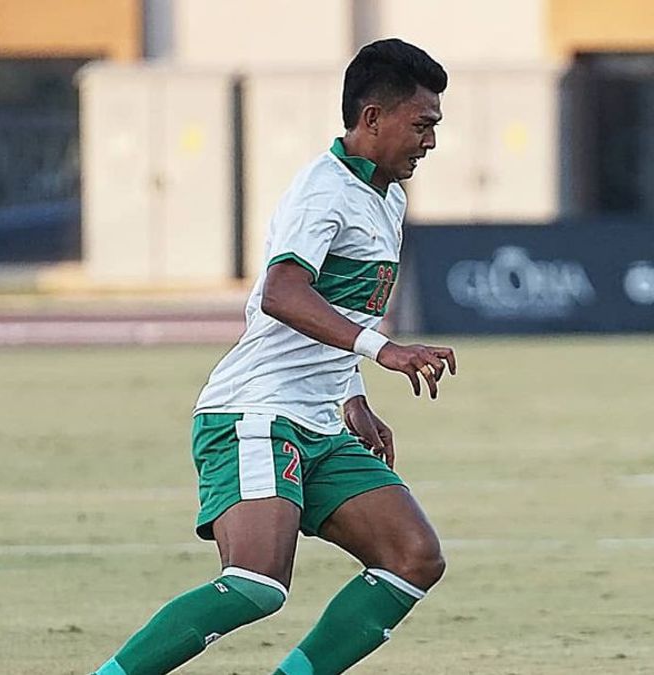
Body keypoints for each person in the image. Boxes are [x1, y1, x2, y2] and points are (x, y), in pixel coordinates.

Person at [91, 38, 456, 675]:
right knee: (258, 584)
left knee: (413, 557)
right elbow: (283, 293)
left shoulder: (389, 195)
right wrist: (384, 352)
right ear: (372, 118)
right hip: (253, 415)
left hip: (318, 421)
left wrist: (353, 397)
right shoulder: (323, 190)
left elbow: (343, 306)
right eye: (422, 124)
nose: (430, 140)